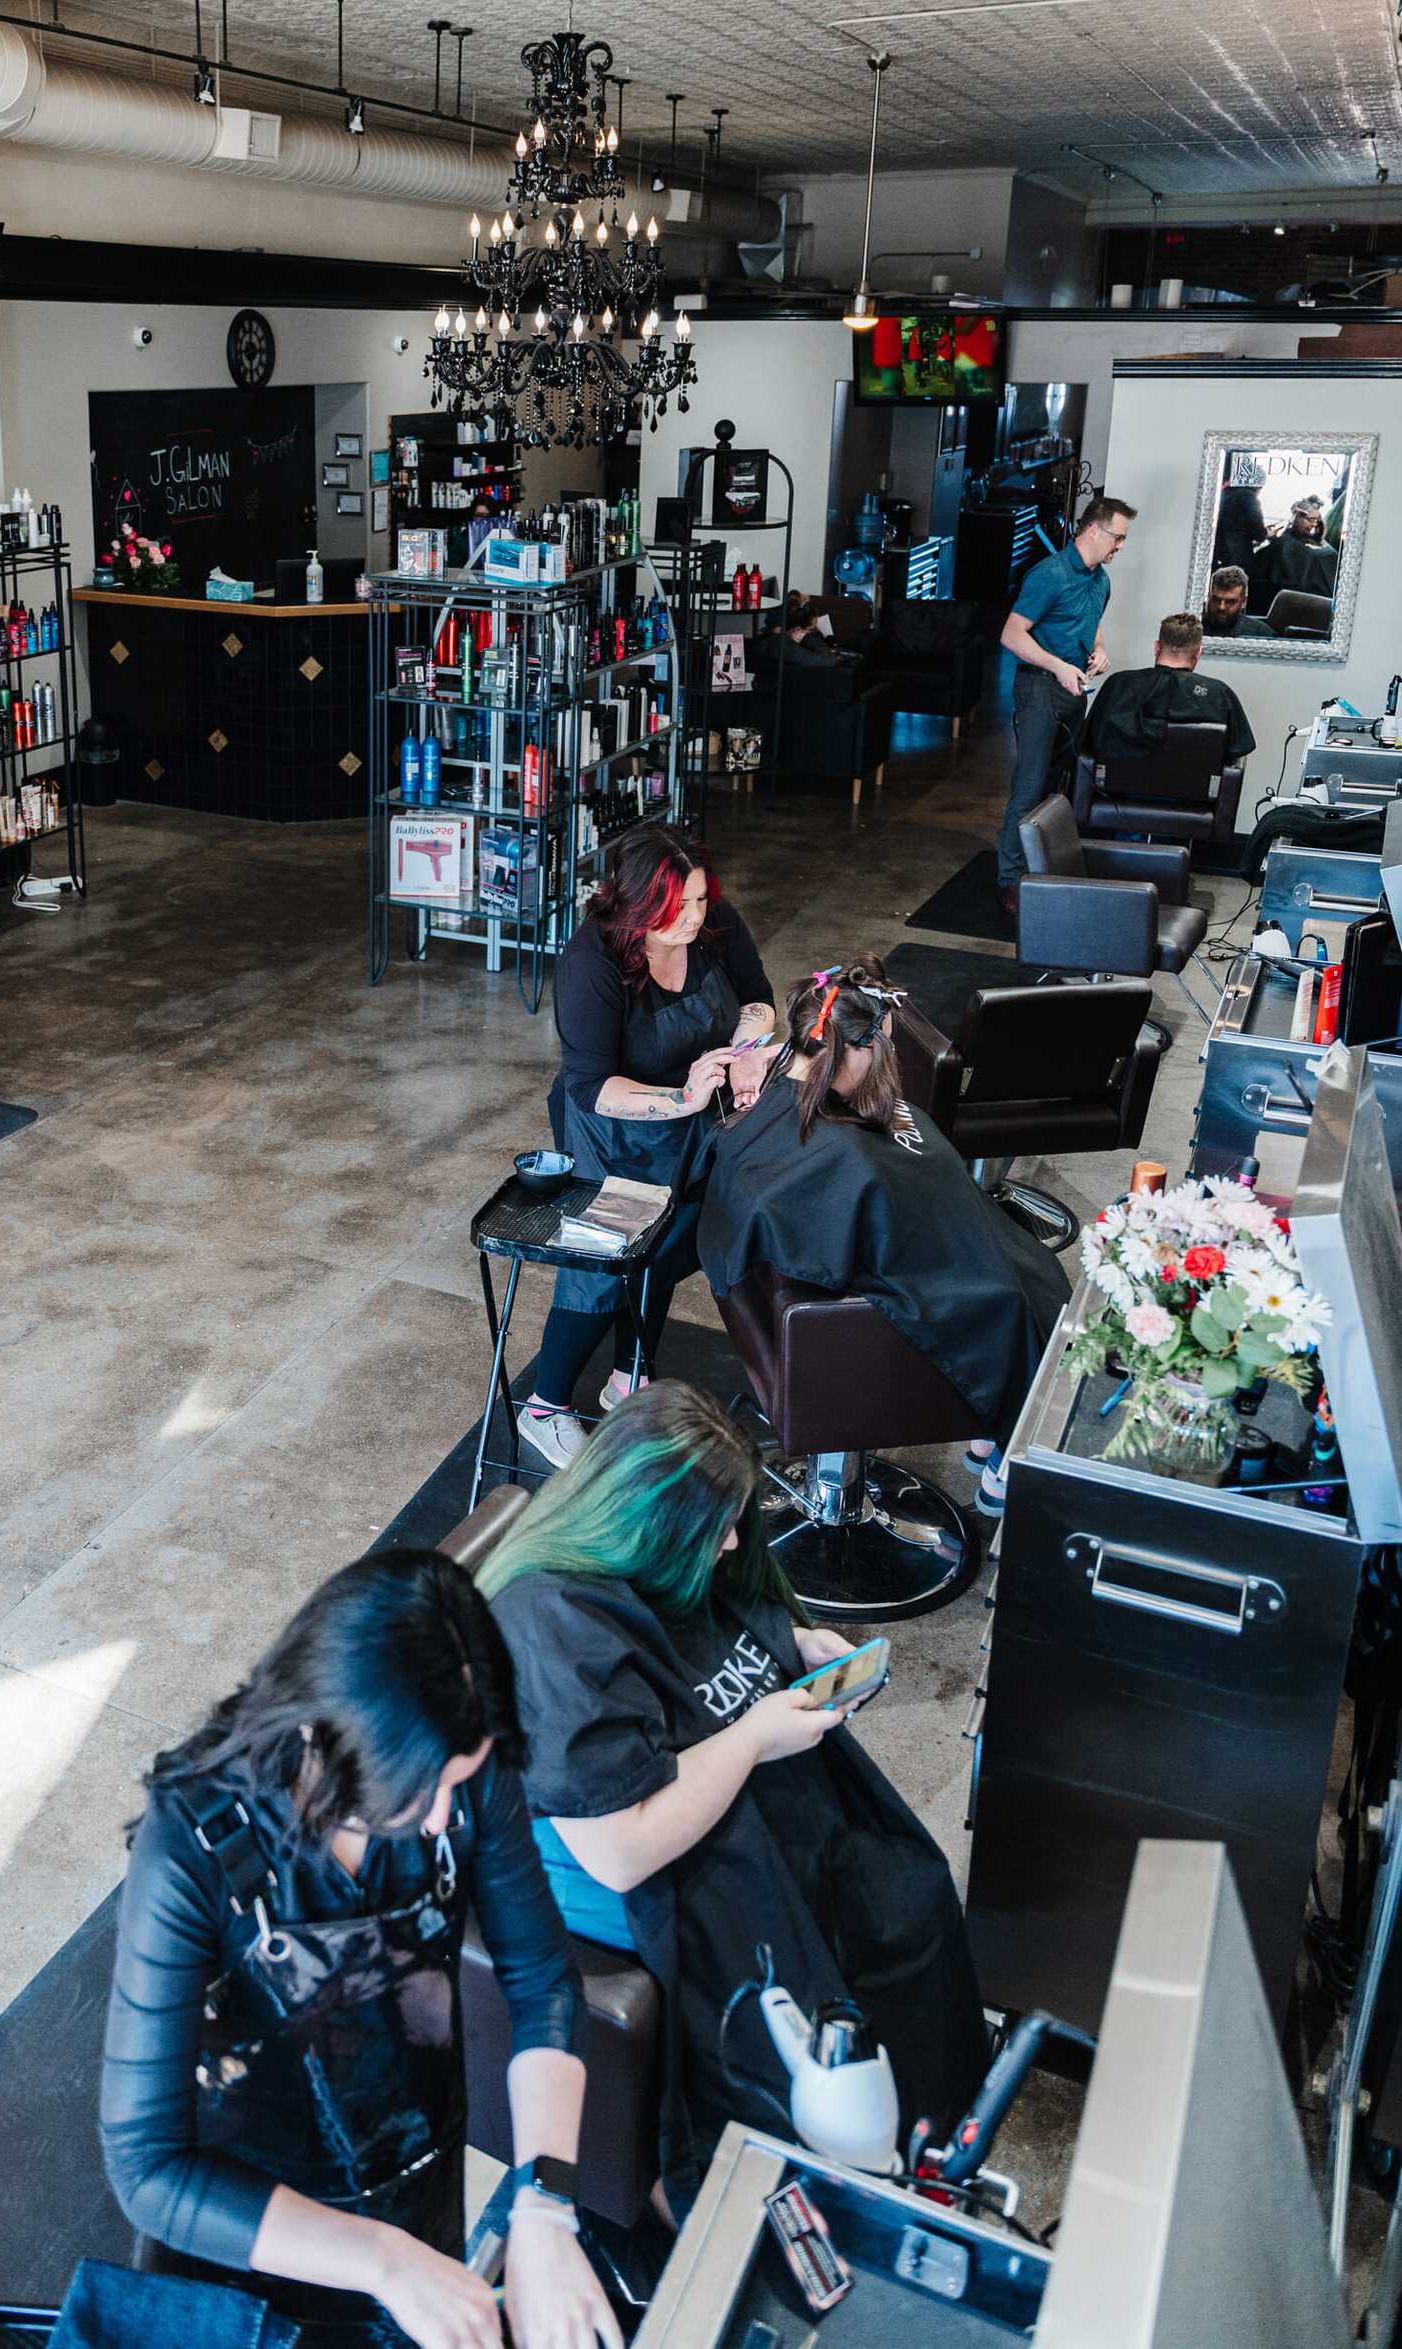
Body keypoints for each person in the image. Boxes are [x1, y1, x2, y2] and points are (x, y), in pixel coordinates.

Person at [477, 1383, 990, 2216]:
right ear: (647, 1526)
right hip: (626, 1863)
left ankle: (922, 2138)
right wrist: (752, 1736)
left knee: (906, 1896)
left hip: (723, 1788)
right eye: (713, 1529)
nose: (728, 1546)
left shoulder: (655, 1554)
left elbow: (727, 1601)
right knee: (802, 1990)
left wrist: (790, 1639)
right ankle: (796, 2195)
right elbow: (621, 1849)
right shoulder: (551, 1629)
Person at [103, 1550, 620, 2349]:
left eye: (464, 1780)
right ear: (332, 1739)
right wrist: (381, 2260)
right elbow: (147, 2165)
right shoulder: (191, 1847)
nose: (450, 1816)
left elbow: (543, 1980)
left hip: (420, 2184)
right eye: (427, 1789)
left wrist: (545, 2202)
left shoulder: (458, 1752)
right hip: (259, 2252)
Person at [698, 957, 1069, 1510]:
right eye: (882, 1048)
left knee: (1023, 1276)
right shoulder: (838, 1155)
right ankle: (1005, 1453)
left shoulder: (786, 1104)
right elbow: (838, 1241)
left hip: (933, 1229)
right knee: (1019, 1296)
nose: (887, 1060)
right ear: (847, 1050)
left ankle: (993, 1426)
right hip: (876, 1309)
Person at [520, 824, 775, 1470]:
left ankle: (629, 1376)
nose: (695, 917)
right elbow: (590, 1084)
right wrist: (682, 1099)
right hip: (612, 1129)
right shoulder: (592, 963)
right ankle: (545, 1406)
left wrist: (743, 1054)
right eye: (678, 907)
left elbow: (760, 1000)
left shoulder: (712, 923)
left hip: (693, 1119)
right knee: (601, 1270)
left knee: (667, 1247)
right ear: (637, 905)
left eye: (698, 900)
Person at [994, 496, 1136, 915]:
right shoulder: (1049, 574)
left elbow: (1090, 625)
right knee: (1030, 786)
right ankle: (1012, 881)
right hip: (1039, 687)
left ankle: (1041, 872)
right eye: (1118, 537)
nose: (1121, 546)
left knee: (1056, 786)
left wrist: (1100, 648)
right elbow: (1012, 635)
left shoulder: (1101, 581)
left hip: (1073, 688)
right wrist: (1057, 665)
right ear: (1094, 530)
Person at [1082, 612, 1256, 768]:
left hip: (1115, 793)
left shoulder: (1117, 685)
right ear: (1198, 652)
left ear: (1156, 647)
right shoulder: (1220, 695)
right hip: (1192, 796)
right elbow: (1235, 753)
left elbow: (1087, 741)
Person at [1249, 494, 1338, 614]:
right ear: (1297, 518)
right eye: (1310, 520)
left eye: (1316, 521)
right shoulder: (1283, 544)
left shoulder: (1320, 547)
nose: (1313, 525)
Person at [1202, 566, 1272, 640]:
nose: (1221, 607)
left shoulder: (1260, 634)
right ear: (1208, 596)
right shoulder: (1193, 627)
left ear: (1243, 602)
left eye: (1230, 602)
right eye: (1216, 599)